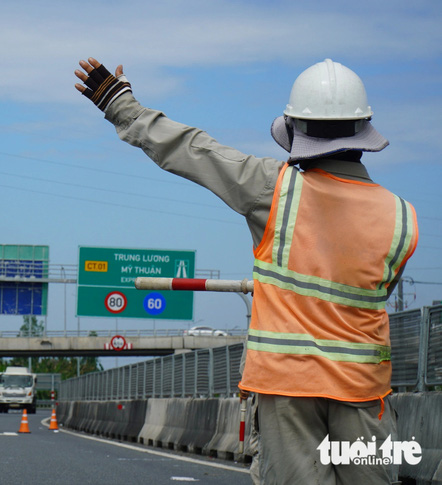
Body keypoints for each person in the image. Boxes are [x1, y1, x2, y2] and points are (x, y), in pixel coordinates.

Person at [74, 57, 418, 484]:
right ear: (362, 131)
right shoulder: (402, 217)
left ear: (296, 131)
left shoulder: (273, 188)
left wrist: (120, 104)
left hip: (286, 389)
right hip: (364, 391)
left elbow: (193, 149)